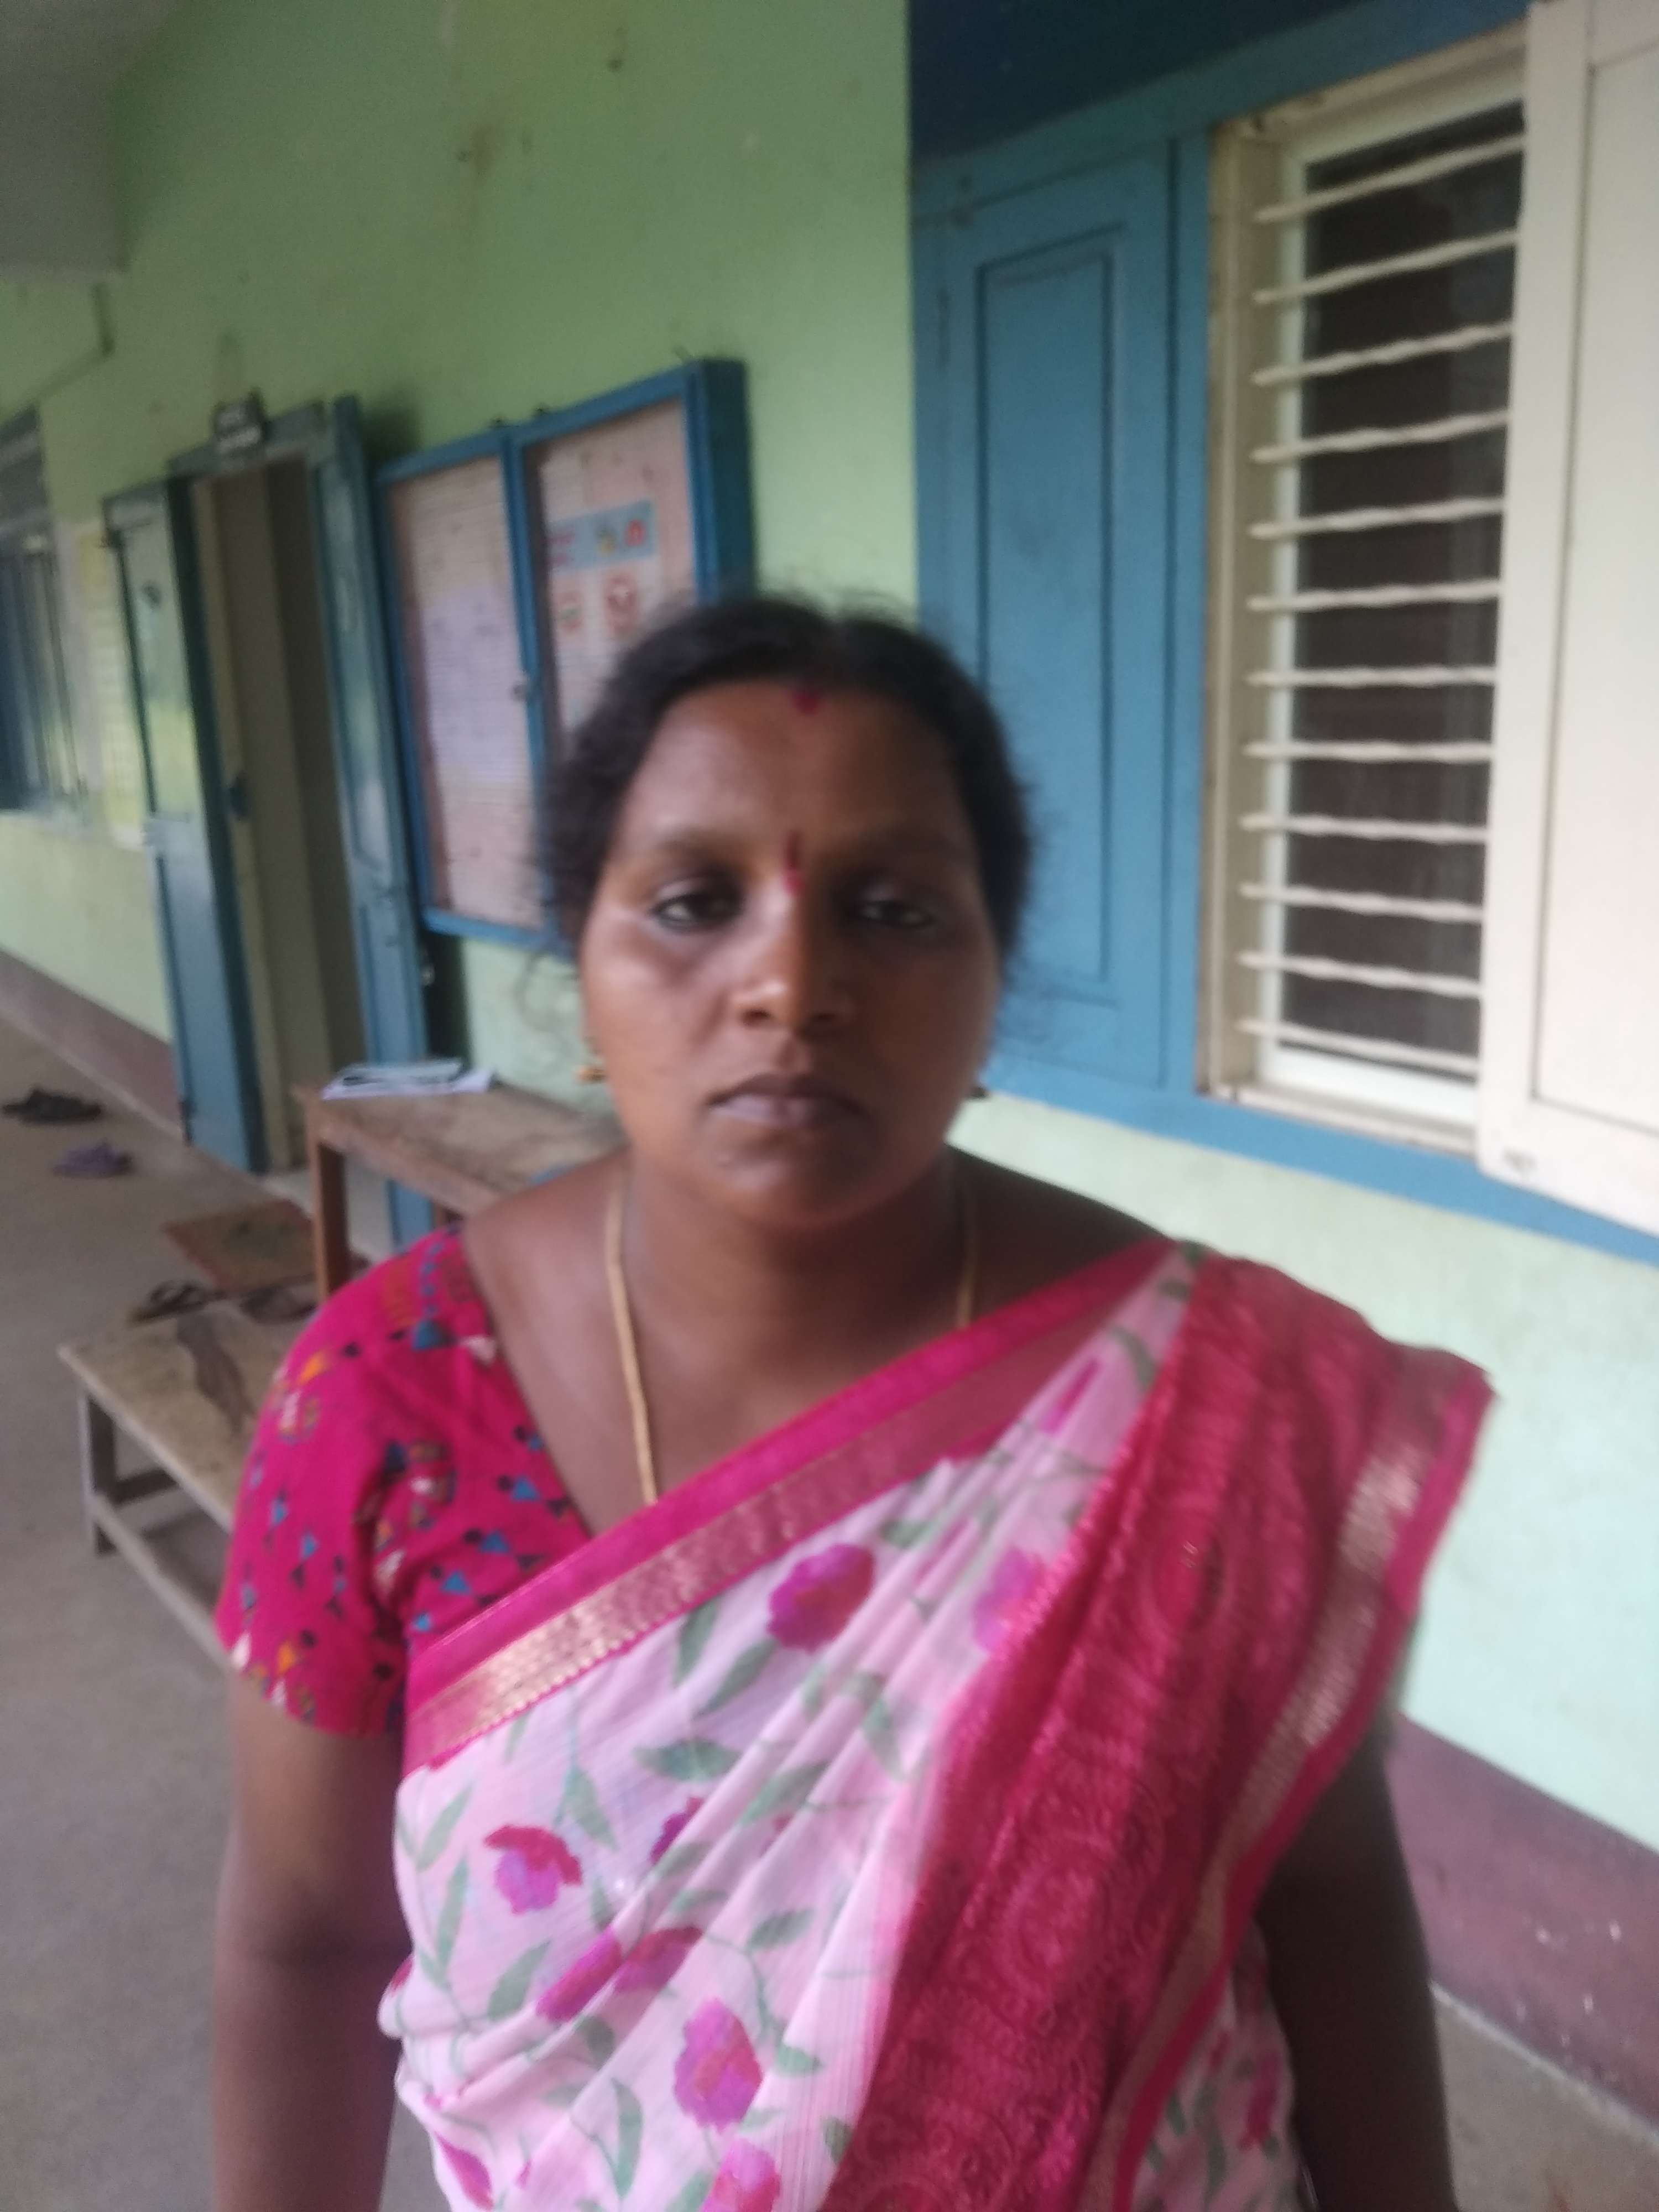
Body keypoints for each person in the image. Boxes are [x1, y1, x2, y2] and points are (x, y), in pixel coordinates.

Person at [211, 596, 1489, 2212]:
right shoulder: (388, 1406)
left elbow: (1327, 1891)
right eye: (694, 901)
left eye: (894, 912)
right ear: (582, 966)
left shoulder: (1216, 1397)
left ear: (994, 978)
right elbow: (309, 1939)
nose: (792, 981)